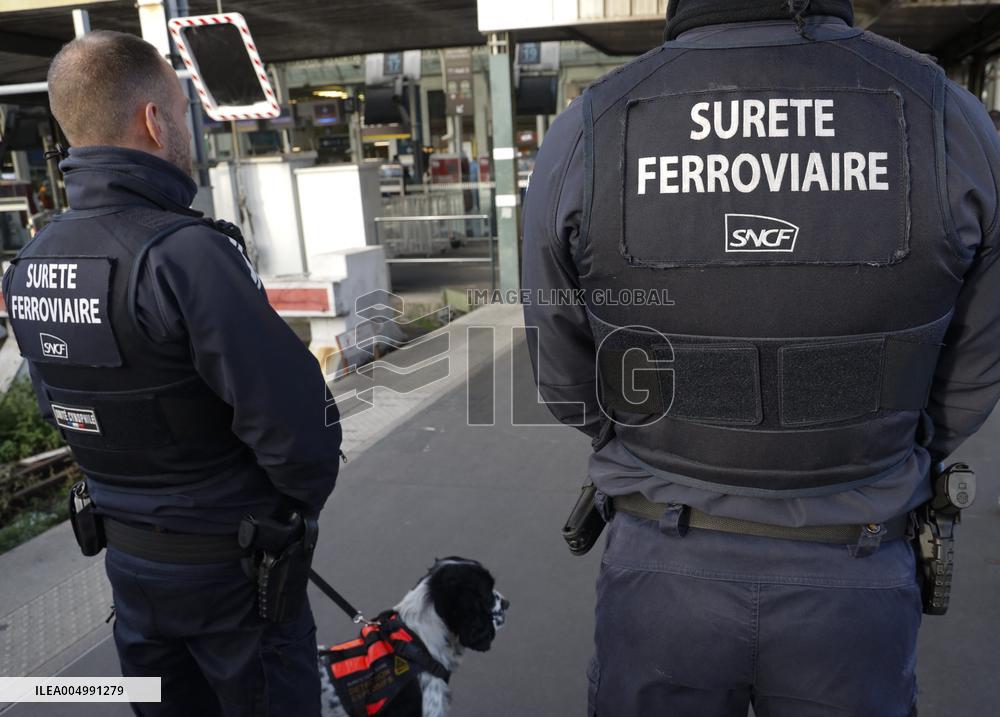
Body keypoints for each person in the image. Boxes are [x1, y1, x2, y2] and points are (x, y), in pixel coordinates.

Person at [522, 1, 1000, 715]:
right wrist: (876, 443)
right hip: (857, 569)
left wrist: (662, 440)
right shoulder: (951, 120)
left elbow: (565, 378)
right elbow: (976, 363)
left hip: (662, 566)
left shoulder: (588, 128)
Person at [2, 31, 342, 716]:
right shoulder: (186, 254)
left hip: (131, 577)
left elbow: (65, 409)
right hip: (236, 581)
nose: (188, 130)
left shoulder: (31, 262)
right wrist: (279, 515)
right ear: (154, 121)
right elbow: (301, 434)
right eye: (184, 114)